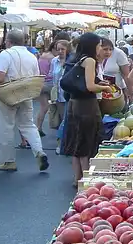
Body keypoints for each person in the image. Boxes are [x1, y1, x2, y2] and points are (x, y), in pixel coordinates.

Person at [0, 30, 48, 172]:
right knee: (28, 125)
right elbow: (36, 76)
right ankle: (39, 151)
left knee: (6, 126)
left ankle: (8, 161)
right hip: (26, 94)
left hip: (8, 94)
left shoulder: (6, 54)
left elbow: (0, 77)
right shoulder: (31, 56)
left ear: (8, 41)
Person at [62, 33, 110, 187]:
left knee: (77, 141)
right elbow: (90, 87)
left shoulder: (79, 59)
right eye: (99, 45)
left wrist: (99, 81)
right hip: (86, 106)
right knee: (86, 143)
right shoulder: (89, 60)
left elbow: (83, 81)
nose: (100, 48)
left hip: (74, 104)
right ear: (92, 46)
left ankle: (77, 179)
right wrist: (105, 87)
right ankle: (87, 181)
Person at [101, 37, 133, 103]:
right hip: (99, 93)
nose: (108, 51)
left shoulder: (118, 53)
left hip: (117, 94)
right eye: (105, 49)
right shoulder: (94, 54)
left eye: (110, 49)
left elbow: (126, 75)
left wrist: (131, 94)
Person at [51, 40, 70, 154]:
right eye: (58, 49)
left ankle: (62, 144)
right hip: (57, 94)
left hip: (67, 94)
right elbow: (53, 77)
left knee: (65, 120)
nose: (60, 51)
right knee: (61, 119)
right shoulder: (54, 61)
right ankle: (63, 142)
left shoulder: (70, 61)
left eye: (62, 49)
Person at [34, 42, 55, 137]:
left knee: (43, 107)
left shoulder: (42, 56)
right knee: (56, 106)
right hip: (51, 83)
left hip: (41, 82)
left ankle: (38, 127)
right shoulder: (53, 58)